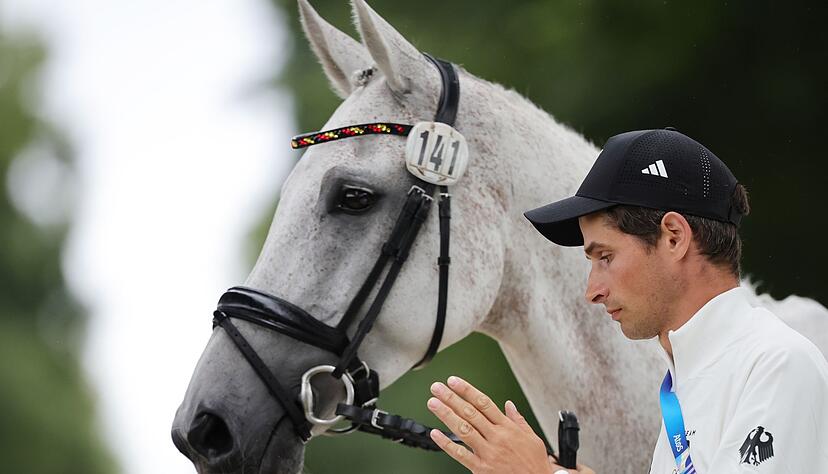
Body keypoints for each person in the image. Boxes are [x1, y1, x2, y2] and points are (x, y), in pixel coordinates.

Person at [425, 128, 828, 473]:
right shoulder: (687, 378)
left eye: (606, 257)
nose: (592, 290)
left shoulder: (776, 363)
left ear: (674, 236)